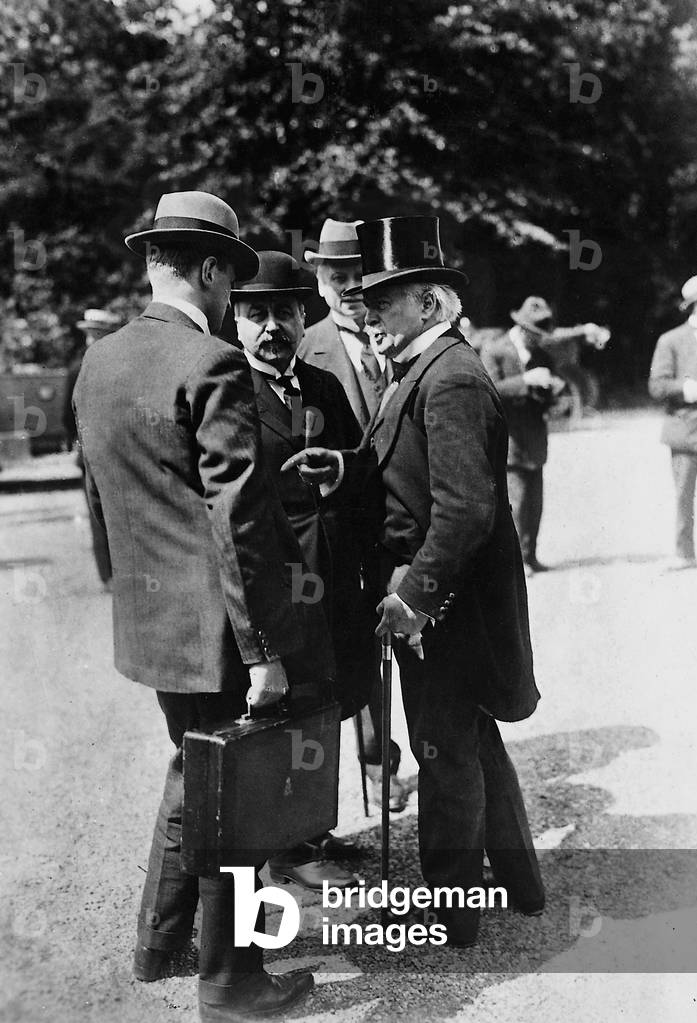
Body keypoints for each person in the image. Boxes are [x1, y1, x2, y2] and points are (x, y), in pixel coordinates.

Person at [73, 192, 321, 1020]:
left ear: (153, 265)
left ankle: (157, 943)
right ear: (211, 270)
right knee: (237, 802)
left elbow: (100, 506)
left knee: (192, 770)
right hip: (219, 630)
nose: (230, 301)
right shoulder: (212, 363)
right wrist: (263, 651)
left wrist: (126, 592)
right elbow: (238, 521)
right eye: (230, 280)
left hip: (150, 625)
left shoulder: (98, 362)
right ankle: (233, 985)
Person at [285, 215, 544, 946]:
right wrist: (349, 466)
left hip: (446, 605)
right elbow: (404, 465)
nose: (371, 311)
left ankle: (454, 911)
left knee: (445, 749)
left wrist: (411, 597)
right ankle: (520, 882)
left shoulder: (452, 378)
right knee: (469, 736)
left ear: (428, 304)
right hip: (441, 600)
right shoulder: (425, 368)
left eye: (387, 299)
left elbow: (464, 511)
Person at [232, 249, 370, 890]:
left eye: (283, 312)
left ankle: (311, 831)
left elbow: (359, 462)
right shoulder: (229, 392)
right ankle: (281, 848)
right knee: (278, 709)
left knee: (323, 701)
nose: (271, 327)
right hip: (273, 578)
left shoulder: (323, 386)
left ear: (301, 315)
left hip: (333, 572)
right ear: (236, 319)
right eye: (256, 313)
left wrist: (341, 465)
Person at [299, 218, 406, 811]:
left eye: (359, 276)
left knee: (392, 645)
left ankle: (382, 766)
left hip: (397, 525)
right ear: (318, 279)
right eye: (336, 275)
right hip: (337, 529)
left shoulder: (401, 340)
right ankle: (355, 776)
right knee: (338, 654)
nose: (349, 287)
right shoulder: (303, 344)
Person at [480, 296, 567, 576]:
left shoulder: (543, 355)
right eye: (536, 335)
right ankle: (514, 563)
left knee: (535, 504)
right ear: (522, 329)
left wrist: (555, 393)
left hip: (535, 437)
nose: (539, 341)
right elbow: (487, 389)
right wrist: (525, 381)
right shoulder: (496, 350)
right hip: (508, 438)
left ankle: (530, 556)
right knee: (514, 504)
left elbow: (548, 398)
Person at [649, 273, 697, 569]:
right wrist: (689, 389)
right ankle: (684, 554)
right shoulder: (671, 340)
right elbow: (657, 386)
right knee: (683, 493)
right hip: (684, 424)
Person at [63, 308, 121, 588]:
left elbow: (66, 415)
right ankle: (114, 575)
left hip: (88, 449)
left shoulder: (78, 365)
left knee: (97, 512)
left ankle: (108, 575)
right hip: (114, 447)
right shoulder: (115, 362)